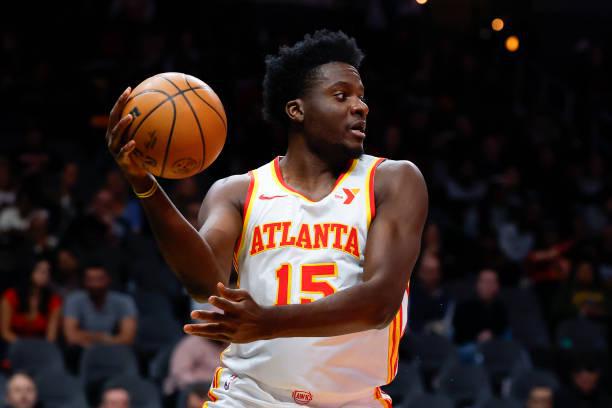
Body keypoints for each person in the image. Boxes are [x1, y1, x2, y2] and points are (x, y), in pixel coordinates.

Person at [105, 30, 428, 407]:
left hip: (353, 400)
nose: (361, 107)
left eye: (361, 96)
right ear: (296, 110)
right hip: (249, 395)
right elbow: (204, 282)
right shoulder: (238, 192)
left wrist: (268, 322)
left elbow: (379, 303)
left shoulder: (391, 181)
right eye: (342, 96)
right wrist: (144, 184)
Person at [63, 263, 137, 348]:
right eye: (90, 279)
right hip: (81, 350)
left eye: (99, 279)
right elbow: (71, 337)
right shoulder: (74, 300)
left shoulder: (123, 301)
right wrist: (102, 337)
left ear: (108, 279)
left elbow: (128, 338)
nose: (95, 284)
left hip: (115, 350)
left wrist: (88, 337)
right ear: (84, 281)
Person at [452, 268, 508, 361]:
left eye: (491, 282)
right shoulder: (465, 305)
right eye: (485, 282)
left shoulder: (500, 307)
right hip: (469, 345)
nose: (488, 286)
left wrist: (492, 334)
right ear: (478, 284)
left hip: (494, 344)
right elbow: (459, 332)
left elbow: (502, 328)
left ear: (497, 286)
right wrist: (477, 337)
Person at [1, 258, 62, 343]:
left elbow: (51, 337)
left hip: (40, 346)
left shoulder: (53, 300)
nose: (45, 275)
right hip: (12, 344)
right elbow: (5, 332)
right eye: (40, 270)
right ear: (29, 271)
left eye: (48, 271)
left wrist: (35, 348)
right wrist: (24, 346)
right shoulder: (11, 296)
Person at [407, 251, 453, 336]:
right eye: (424, 271)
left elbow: (446, 327)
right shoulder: (410, 295)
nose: (427, 275)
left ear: (439, 273)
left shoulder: (446, 297)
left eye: (431, 271)